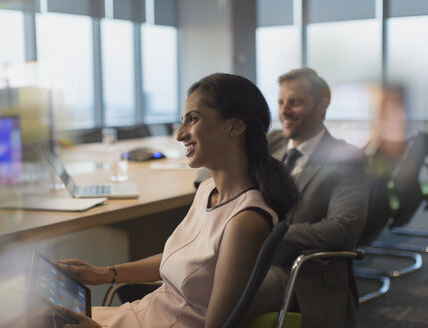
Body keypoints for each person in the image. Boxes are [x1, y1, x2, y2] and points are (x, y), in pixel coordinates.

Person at [53, 73, 299, 328]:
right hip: (144, 312)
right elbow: (180, 259)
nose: (181, 134)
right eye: (183, 121)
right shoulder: (207, 190)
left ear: (235, 126)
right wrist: (103, 274)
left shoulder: (246, 221)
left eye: (193, 119)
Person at [247, 67, 369, 328]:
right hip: (248, 259)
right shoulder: (273, 142)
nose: (284, 111)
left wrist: (268, 235)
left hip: (299, 273)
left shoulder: (346, 159)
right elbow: (219, 163)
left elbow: (344, 230)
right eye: (281, 102)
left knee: (219, 300)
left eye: (295, 102)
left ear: (322, 105)